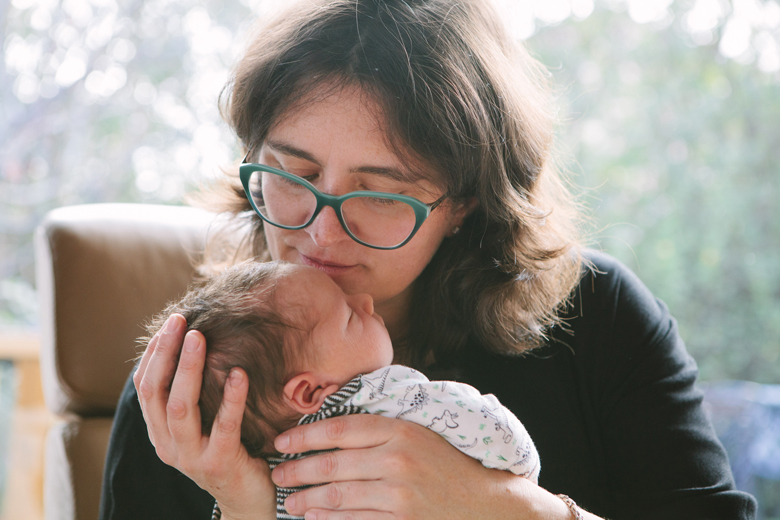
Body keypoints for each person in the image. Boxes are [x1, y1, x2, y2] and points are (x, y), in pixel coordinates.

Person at [99, 0, 758, 519]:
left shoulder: (600, 318)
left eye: (381, 193)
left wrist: (508, 512)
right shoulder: (201, 378)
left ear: (465, 203)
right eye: (292, 172)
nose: (320, 233)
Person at [142, 260, 541, 518]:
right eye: (350, 316)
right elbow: (509, 447)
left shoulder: (276, 484)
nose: (365, 302)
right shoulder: (392, 399)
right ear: (310, 393)